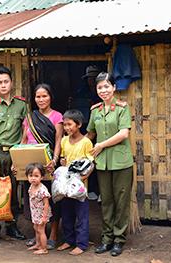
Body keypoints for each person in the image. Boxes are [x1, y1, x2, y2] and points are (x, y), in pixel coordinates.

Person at [87, 72, 134, 257]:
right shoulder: (95, 111)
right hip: (102, 163)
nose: (103, 90)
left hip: (121, 162)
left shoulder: (122, 108)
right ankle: (106, 239)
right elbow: (90, 134)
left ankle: (119, 240)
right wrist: (74, 145)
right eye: (100, 87)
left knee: (121, 202)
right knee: (106, 201)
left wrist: (101, 145)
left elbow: (124, 134)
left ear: (114, 87)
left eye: (107, 86)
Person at [0, 66, 27, 244]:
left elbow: (25, 132)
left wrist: (21, 155)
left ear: (11, 83)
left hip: (14, 153)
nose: (3, 85)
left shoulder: (21, 104)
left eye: (6, 82)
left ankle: (12, 226)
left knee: (13, 190)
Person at [21, 83, 63, 250]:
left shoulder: (57, 117)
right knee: (33, 200)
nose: (41, 99)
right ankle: (38, 234)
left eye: (44, 96)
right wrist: (18, 162)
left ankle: (53, 234)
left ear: (50, 97)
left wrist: (54, 160)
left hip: (48, 165)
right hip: (32, 168)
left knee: (50, 200)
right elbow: (24, 141)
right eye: (38, 96)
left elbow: (58, 141)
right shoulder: (30, 118)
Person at [56, 109, 93, 256]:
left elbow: (91, 164)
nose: (66, 128)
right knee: (67, 214)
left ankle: (82, 244)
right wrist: (61, 161)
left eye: (69, 125)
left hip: (80, 187)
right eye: (64, 125)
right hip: (66, 185)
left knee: (81, 216)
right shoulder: (64, 140)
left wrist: (83, 178)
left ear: (78, 124)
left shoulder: (86, 142)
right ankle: (68, 240)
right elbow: (63, 159)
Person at [26, 163, 52, 255]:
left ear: (41, 177)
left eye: (36, 176)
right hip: (35, 212)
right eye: (31, 176)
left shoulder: (42, 190)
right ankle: (38, 244)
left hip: (41, 213)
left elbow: (46, 204)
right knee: (36, 228)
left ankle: (44, 248)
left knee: (41, 230)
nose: (33, 178)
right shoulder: (32, 186)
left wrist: (44, 217)